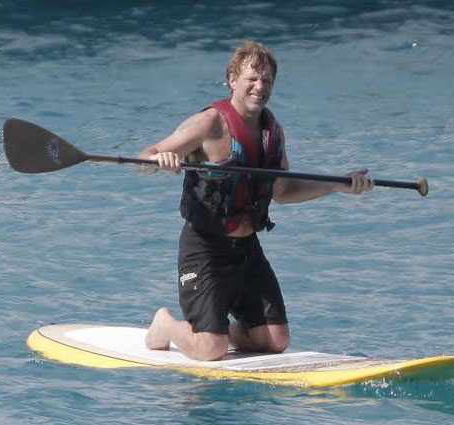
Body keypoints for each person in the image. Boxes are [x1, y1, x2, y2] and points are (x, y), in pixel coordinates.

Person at [138, 41, 373, 361]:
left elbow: (284, 191)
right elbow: (145, 158)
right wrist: (159, 160)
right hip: (204, 250)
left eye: (267, 80)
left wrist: (336, 187)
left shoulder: (273, 132)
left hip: (247, 251)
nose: (259, 87)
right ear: (233, 79)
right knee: (211, 349)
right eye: (252, 78)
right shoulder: (208, 124)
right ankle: (166, 325)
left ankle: (217, 328)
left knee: (276, 340)